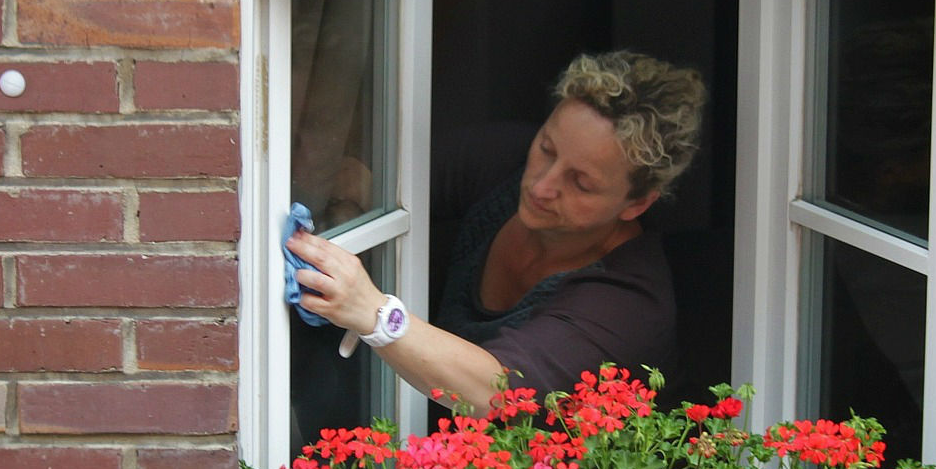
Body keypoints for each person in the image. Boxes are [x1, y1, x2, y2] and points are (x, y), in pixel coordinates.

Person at [286, 51, 705, 410]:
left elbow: (497, 392)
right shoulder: (506, 163)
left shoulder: (627, 304)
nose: (542, 185)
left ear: (637, 203)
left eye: (581, 183)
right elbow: (368, 182)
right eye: (546, 148)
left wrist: (374, 314)